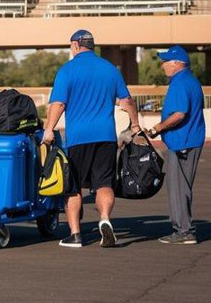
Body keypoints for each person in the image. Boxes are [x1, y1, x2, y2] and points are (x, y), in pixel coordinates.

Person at [43, 29, 140, 248]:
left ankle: (75, 235)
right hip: (105, 136)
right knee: (104, 183)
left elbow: (58, 104)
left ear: (76, 45)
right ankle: (104, 218)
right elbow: (127, 102)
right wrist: (135, 125)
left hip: (78, 138)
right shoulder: (109, 70)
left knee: (73, 187)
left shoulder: (67, 70)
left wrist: (49, 130)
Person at [147, 46, 205, 245]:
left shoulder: (180, 83)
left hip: (183, 142)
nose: (163, 65)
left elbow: (179, 114)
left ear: (177, 63)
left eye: (166, 61)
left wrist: (157, 128)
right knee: (183, 186)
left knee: (178, 187)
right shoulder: (190, 80)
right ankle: (184, 228)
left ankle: (184, 231)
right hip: (189, 139)